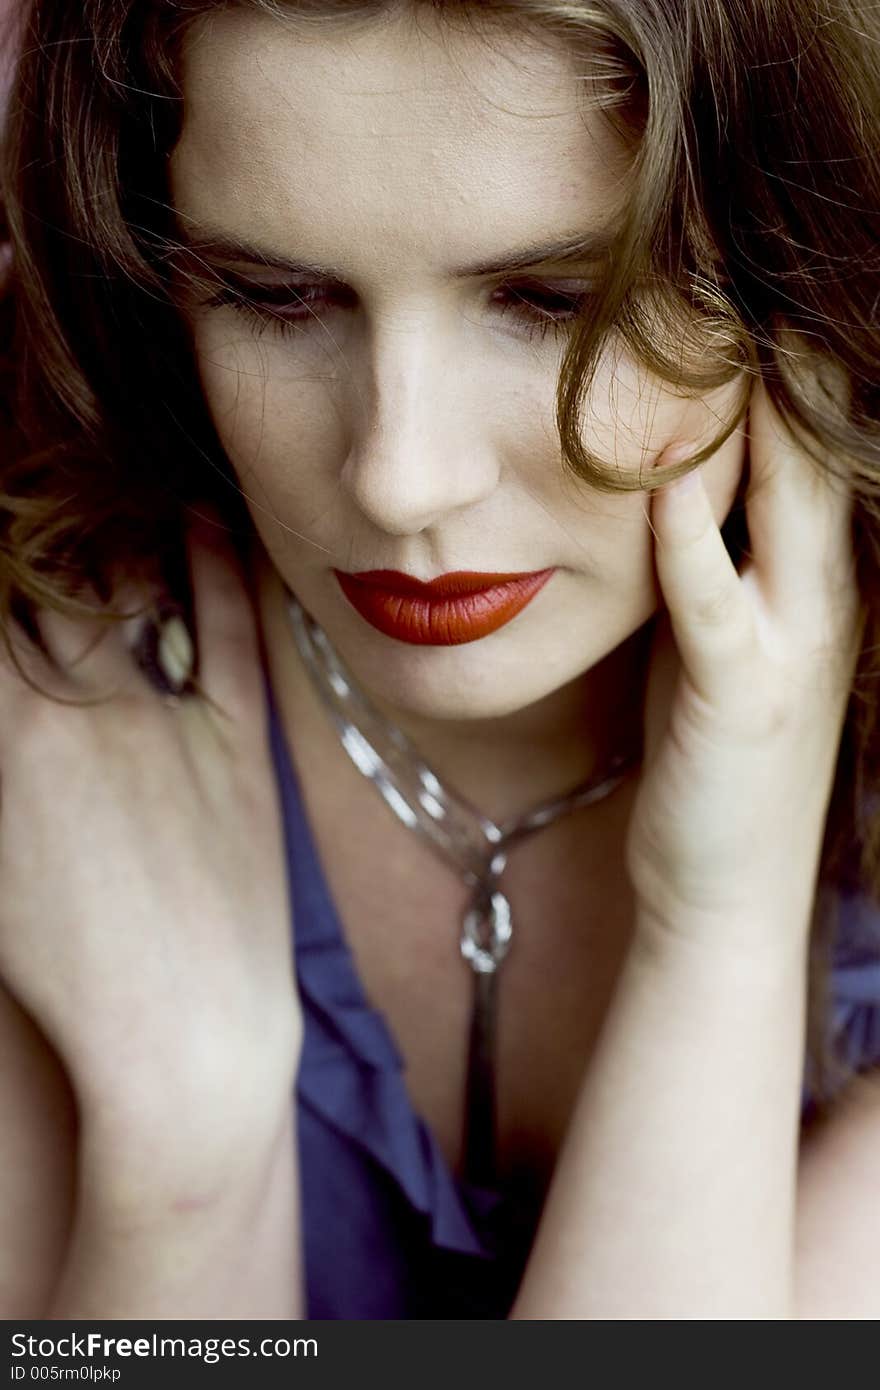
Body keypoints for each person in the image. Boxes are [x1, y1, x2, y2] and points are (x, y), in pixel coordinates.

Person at [0, 0, 878, 1321]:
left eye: (557, 299)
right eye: (276, 296)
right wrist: (185, 1147)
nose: (402, 477)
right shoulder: (51, 685)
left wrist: (723, 931)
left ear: (813, 273)